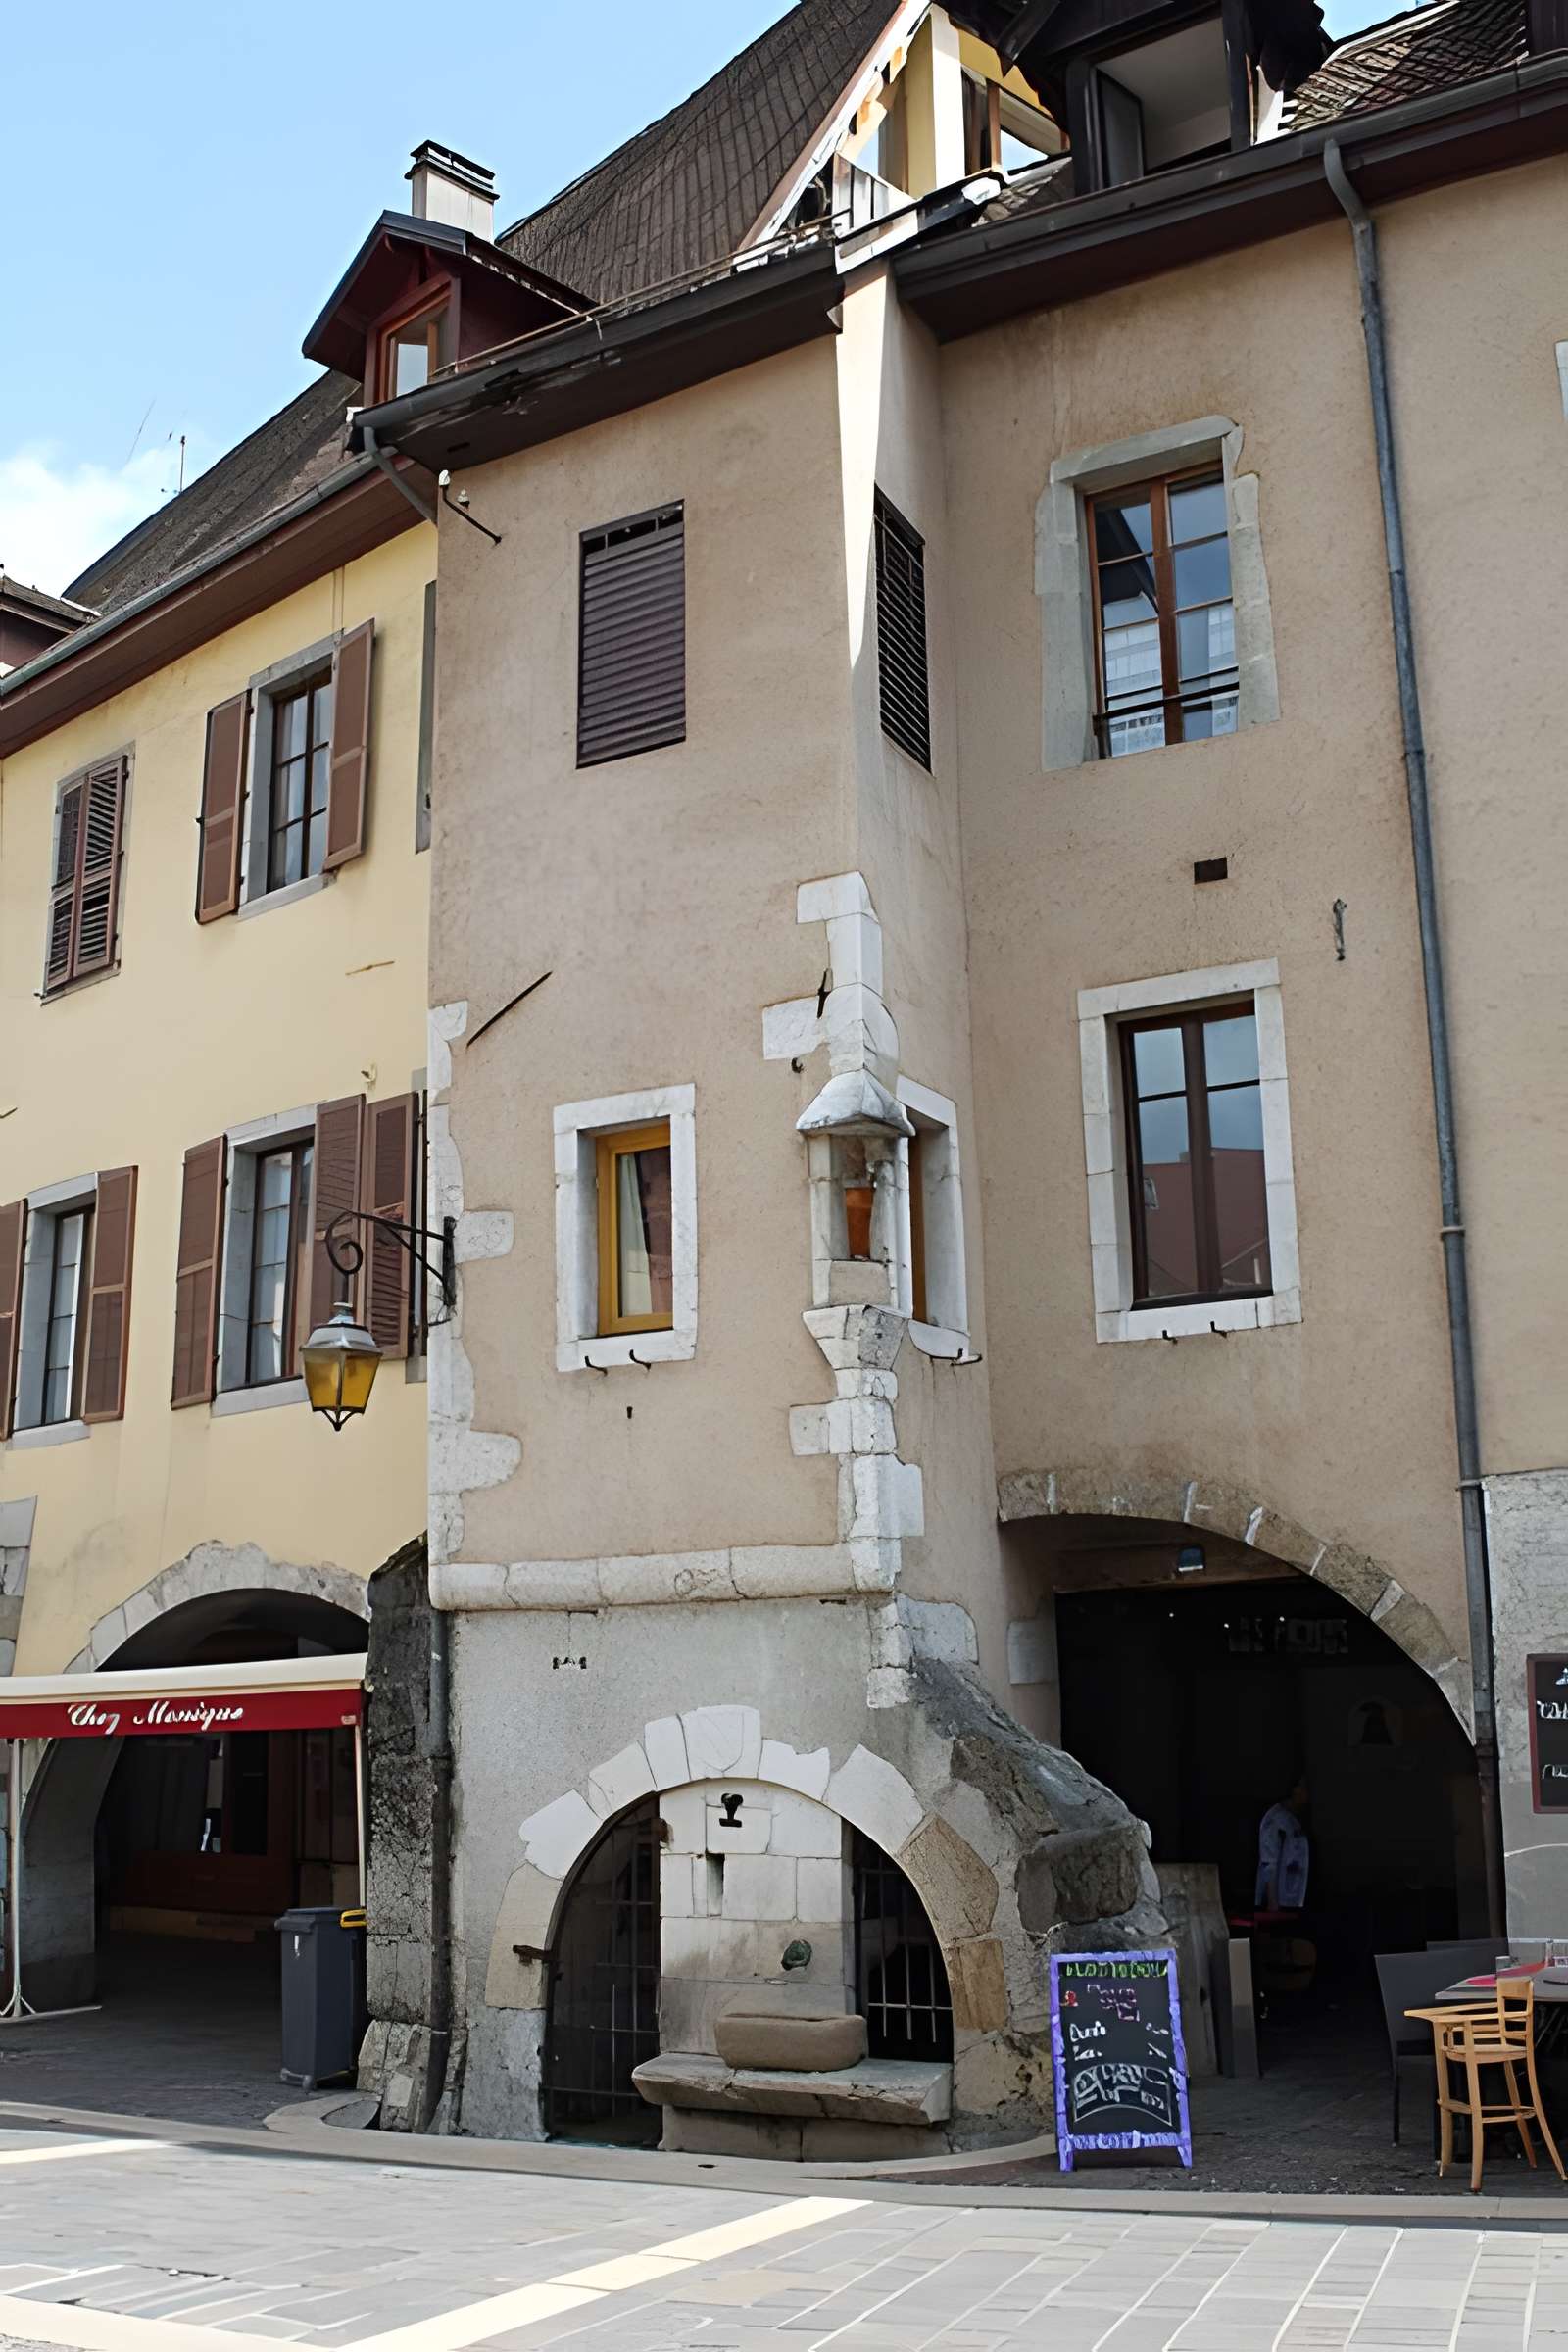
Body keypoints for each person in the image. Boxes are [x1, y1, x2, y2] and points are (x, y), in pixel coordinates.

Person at [1255, 1777, 1310, 1912]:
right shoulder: (1276, 1819)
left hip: (1295, 1897)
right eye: (1304, 1787)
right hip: (1282, 1902)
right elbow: (1268, 1862)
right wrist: (1272, 1902)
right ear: (1295, 1790)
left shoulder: (1296, 1818)